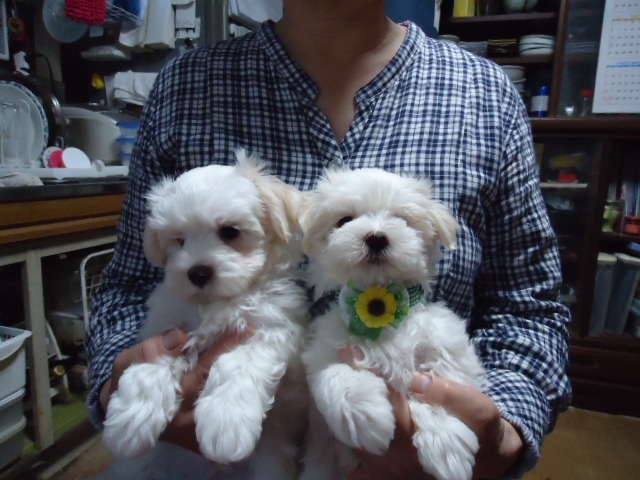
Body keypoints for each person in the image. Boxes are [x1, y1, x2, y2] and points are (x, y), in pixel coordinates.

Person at [86, 1, 572, 478]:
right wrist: (124, 385)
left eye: (230, 233)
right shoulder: (182, 85)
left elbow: (528, 307)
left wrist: (502, 432)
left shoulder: (486, 93)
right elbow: (129, 286)